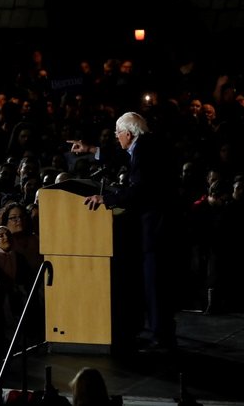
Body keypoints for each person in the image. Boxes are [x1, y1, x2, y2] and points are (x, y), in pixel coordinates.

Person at [70, 111, 179, 352]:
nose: (118, 139)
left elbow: (141, 190)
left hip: (156, 227)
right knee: (156, 282)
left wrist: (105, 198)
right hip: (161, 226)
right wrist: (91, 150)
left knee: (155, 282)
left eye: (118, 134)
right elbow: (122, 158)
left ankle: (161, 337)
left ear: (128, 134)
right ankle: (162, 331)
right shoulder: (149, 145)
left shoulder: (144, 150)